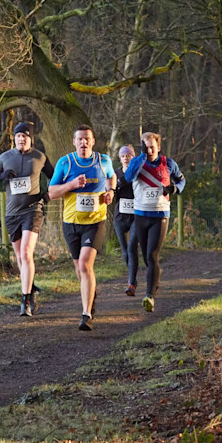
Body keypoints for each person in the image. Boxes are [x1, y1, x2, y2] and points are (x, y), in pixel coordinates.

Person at [48, 124, 116, 331]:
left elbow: (111, 176)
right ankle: (91, 295)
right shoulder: (65, 163)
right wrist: (71, 185)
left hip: (95, 222)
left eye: (87, 139)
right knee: (80, 268)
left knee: (86, 264)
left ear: (93, 141)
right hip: (71, 223)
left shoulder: (103, 160)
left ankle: (86, 314)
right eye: (80, 139)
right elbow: (51, 192)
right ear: (74, 142)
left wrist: (110, 191)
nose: (84, 142)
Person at [0, 121, 54, 316]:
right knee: (20, 257)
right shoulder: (5, 157)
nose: (21, 139)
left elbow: (54, 177)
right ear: (13, 138)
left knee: (25, 253)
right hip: (12, 213)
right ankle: (30, 286)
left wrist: (47, 195)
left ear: (30, 138)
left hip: (33, 210)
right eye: (18, 136)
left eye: (24, 136)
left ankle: (26, 301)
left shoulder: (39, 157)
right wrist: (1, 176)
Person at [124, 132, 186, 312]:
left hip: (160, 216)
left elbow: (181, 181)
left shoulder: (168, 164)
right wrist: (142, 156)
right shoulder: (137, 162)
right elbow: (129, 177)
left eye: (152, 147)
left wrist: (174, 189)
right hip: (141, 215)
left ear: (158, 147)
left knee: (152, 255)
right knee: (146, 256)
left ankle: (149, 296)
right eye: (145, 146)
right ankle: (155, 276)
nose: (149, 150)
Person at [113, 145, 139, 297]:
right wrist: (117, 184)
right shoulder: (115, 174)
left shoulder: (138, 173)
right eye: (123, 156)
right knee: (125, 251)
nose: (126, 158)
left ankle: (131, 282)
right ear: (120, 158)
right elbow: (111, 191)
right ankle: (132, 276)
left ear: (133, 157)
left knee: (132, 247)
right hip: (120, 216)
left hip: (136, 216)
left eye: (128, 155)